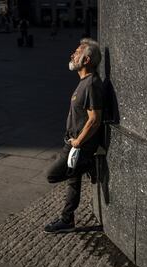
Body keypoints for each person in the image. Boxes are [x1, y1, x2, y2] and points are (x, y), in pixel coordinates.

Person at [44, 38, 103, 233]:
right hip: (74, 143)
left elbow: (94, 119)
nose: (72, 55)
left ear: (86, 60)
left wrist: (77, 142)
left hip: (78, 146)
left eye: (77, 52)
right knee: (73, 182)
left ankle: (89, 165)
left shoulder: (91, 84)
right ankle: (67, 219)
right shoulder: (85, 82)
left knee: (52, 175)